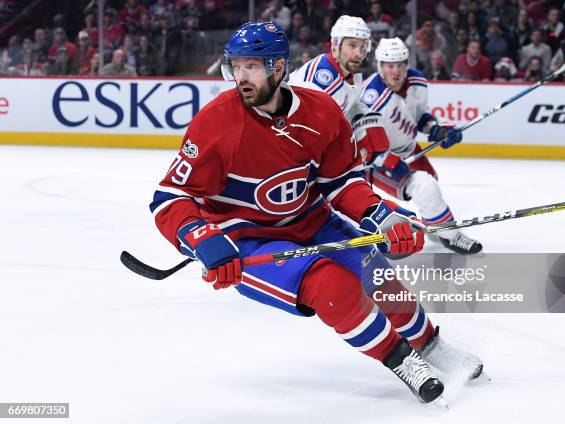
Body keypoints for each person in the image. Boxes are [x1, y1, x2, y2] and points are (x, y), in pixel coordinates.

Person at [150, 21, 482, 405]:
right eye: (237, 66)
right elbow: (170, 196)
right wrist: (199, 237)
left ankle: (429, 345)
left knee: (377, 272)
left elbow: (342, 182)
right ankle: (401, 359)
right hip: (249, 240)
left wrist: (378, 213)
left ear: (277, 68)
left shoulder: (321, 111)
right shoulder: (216, 123)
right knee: (332, 286)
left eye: (252, 66)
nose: (241, 76)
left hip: (312, 220)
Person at [359, 38, 483, 255]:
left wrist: (437, 130)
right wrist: (386, 161)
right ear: (380, 66)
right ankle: (451, 235)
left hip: (409, 149)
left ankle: (435, 225)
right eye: (390, 66)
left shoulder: (417, 81)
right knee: (425, 187)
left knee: (431, 186)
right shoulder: (371, 99)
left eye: (400, 65)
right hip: (378, 161)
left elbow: (419, 117)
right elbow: (362, 144)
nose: (396, 72)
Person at [289, 15, 390, 166]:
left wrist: (369, 128)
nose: (359, 53)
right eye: (352, 45)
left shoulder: (345, 74)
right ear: (335, 44)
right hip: (290, 158)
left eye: (363, 47)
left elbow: (349, 107)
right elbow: (306, 132)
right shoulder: (322, 77)